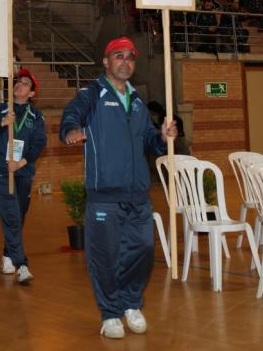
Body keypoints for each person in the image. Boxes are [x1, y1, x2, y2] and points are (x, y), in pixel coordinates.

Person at [60, 36, 176, 339]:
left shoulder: (137, 101)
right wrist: (71, 130)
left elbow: (148, 140)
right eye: (119, 56)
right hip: (104, 196)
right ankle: (110, 313)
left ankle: (130, 304)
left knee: (144, 251)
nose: (125, 61)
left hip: (137, 194)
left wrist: (162, 137)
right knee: (105, 257)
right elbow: (71, 115)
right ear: (106, 61)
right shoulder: (92, 94)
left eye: (130, 57)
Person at [0, 68, 47, 284]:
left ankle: (7, 255)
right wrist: (1, 125)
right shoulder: (0, 110)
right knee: (12, 216)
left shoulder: (36, 117)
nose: (19, 84)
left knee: (18, 216)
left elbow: (39, 144)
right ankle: (22, 264)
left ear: (32, 94)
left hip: (22, 170)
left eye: (25, 83)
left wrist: (21, 163)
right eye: (18, 81)